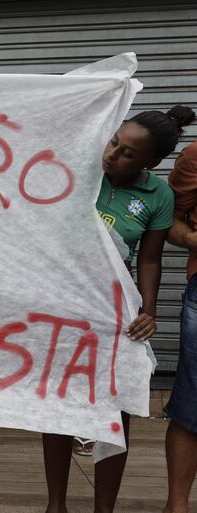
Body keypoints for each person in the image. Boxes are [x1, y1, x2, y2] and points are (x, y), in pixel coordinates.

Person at [42, 105, 195, 513]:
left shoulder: (158, 194)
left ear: (151, 162)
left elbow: (149, 259)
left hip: (115, 312)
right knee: (56, 406)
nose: (112, 154)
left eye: (128, 153)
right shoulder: (80, 172)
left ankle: (103, 509)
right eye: (113, 143)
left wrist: (146, 309)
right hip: (59, 305)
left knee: (114, 412)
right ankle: (55, 504)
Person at [163, 139, 197, 513]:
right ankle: (177, 506)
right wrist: (190, 238)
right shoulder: (195, 156)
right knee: (192, 403)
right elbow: (167, 220)